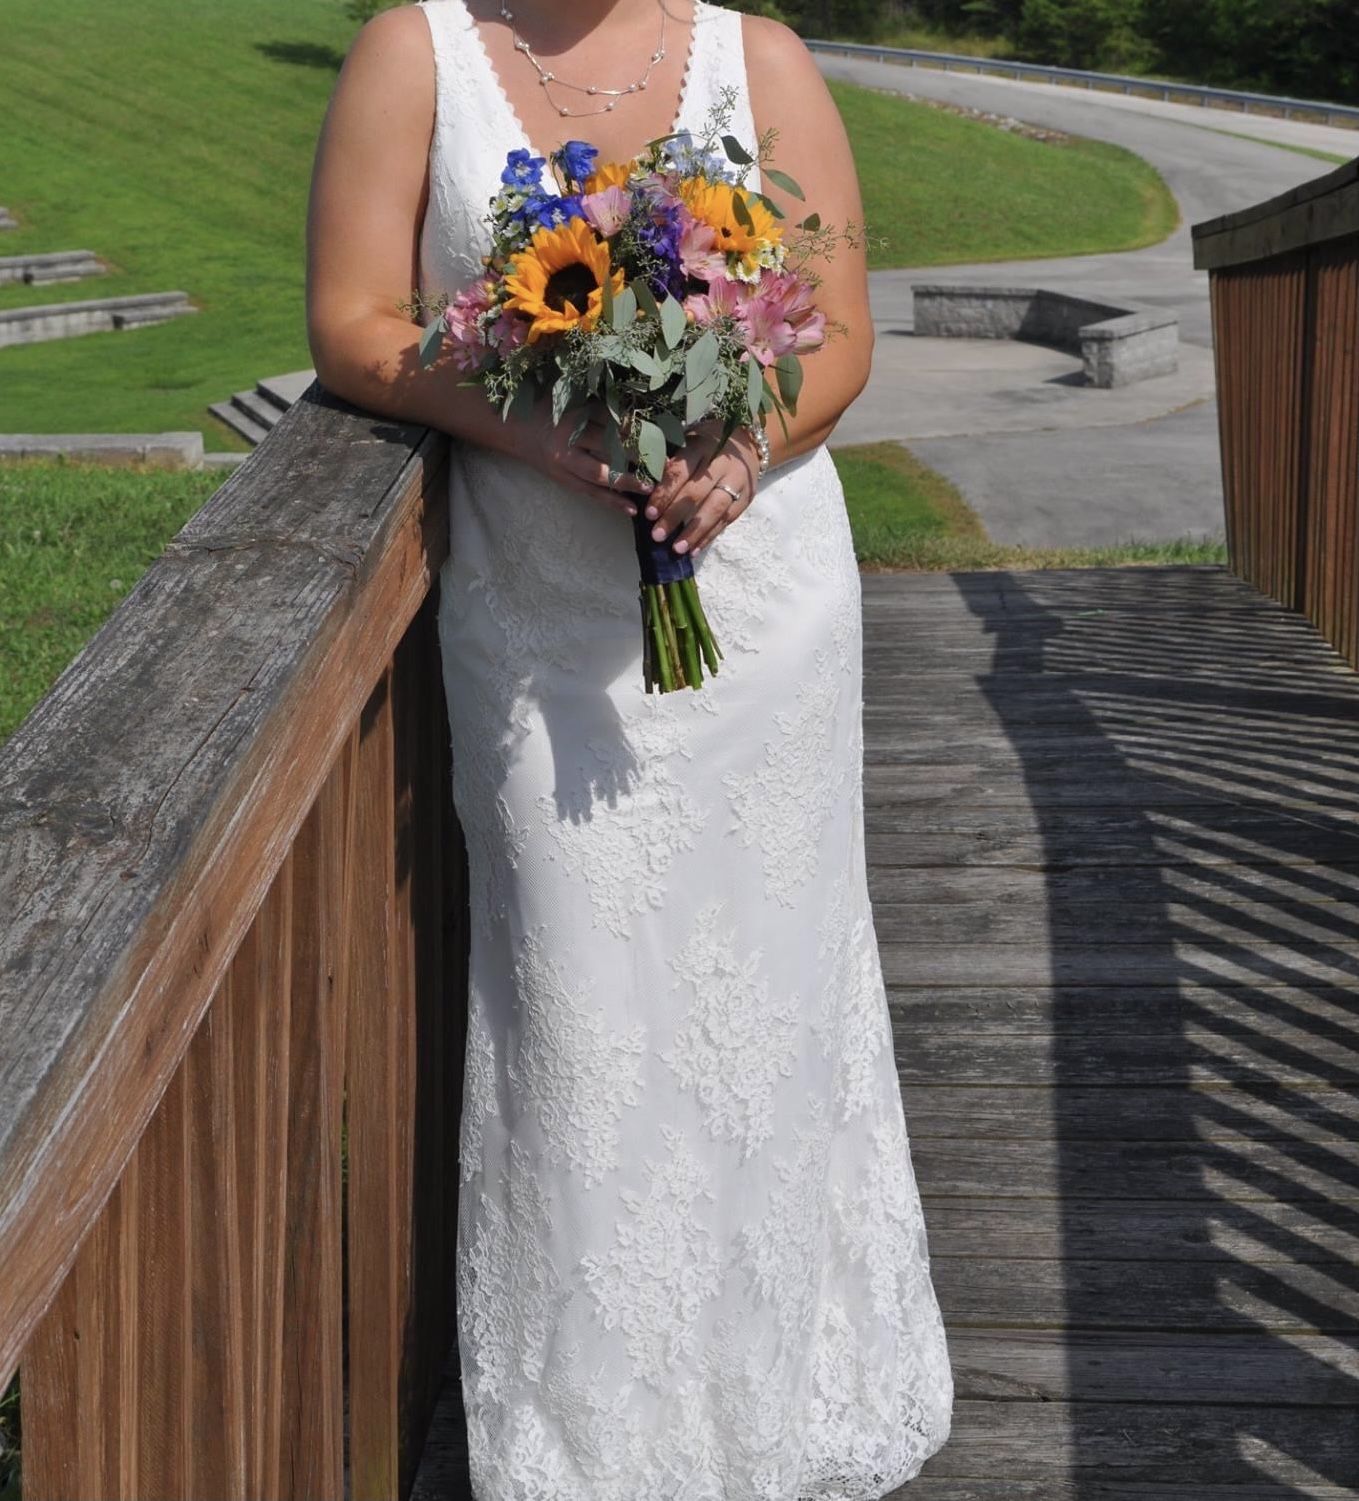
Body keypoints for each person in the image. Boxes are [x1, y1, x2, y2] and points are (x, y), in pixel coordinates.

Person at [305, 1, 954, 1494]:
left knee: (768, 1001)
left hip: (765, 612)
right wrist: (529, 428)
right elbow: (352, 324)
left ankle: (791, 1387)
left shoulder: (761, 59)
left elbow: (839, 333)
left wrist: (741, 450)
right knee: (577, 997)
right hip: (542, 620)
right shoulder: (418, 53)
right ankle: (599, 1444)